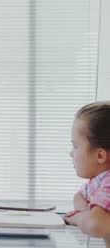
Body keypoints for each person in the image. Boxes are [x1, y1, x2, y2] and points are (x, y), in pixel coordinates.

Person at [64, 101, 110, 246]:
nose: (71, 153)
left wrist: (78, 218)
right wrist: (87, 213)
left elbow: (96, 226)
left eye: (75, 146)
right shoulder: (99, 181)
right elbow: (79, 196)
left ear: (100, 156)